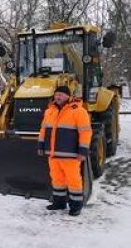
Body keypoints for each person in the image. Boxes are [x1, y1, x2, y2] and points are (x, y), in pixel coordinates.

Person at [38, 86, 92, 216]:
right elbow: (43, 130)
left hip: (71, 155)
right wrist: (41, 146)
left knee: (73, 181)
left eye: (61, 94)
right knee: (57, 180)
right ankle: (59, 203)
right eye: (56, 94)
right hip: (53, 154)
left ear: (68, 96)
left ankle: (76, 206)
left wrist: (83, 151)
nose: (58, 97)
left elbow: (85, 132)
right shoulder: (49, 111)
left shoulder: (78, 111)